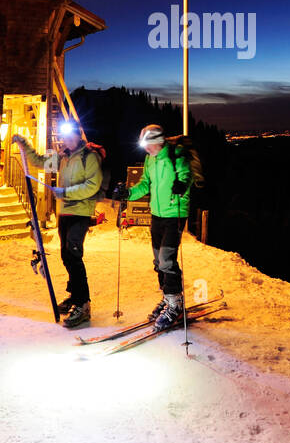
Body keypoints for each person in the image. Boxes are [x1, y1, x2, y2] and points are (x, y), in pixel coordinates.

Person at [13, 121, 105, 329]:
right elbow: (38, 161)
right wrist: (24, 145)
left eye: (71, 136)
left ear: (78, 136)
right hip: (65, 212)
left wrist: (65, 193)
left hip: (81, 211)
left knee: (73, 254)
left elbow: (93, 184)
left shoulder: (88, 157)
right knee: (65, 255)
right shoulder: (63, 157)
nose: (67, 140)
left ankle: (83, 303)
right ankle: (75, 296)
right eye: (65, 137)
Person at [125, 124, 192, 330]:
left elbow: (186, 176)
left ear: (157, 141)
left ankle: (175, 305)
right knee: (158, 260)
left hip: (175, 214)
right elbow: (145, 183)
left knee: (166, 258)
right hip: (156, 214)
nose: (145, 148)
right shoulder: (150, 159)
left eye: (147, 144)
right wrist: (127, 194)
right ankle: (169, 296)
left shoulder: (176, 156)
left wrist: (181, 185)